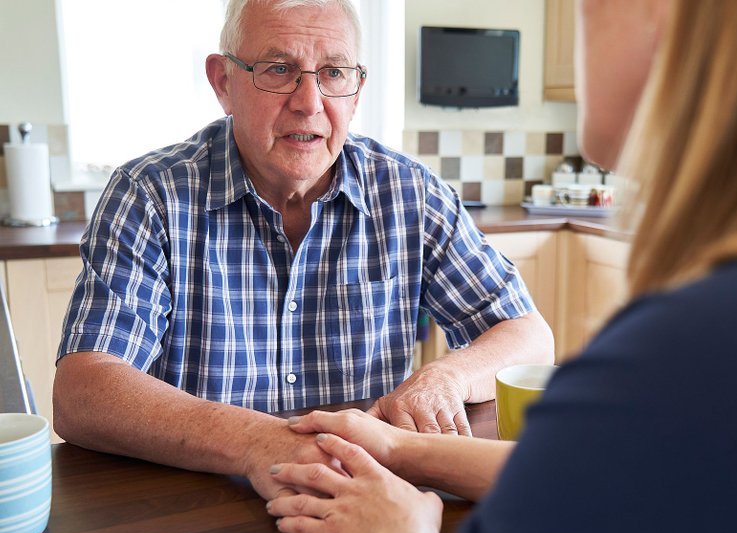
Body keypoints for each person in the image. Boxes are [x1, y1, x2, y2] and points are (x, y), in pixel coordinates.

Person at [263, 0, 737, 533]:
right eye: (278, 70)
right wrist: (401, 450)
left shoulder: (705, 349)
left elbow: (599, 437)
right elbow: (618, 470)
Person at [52, 0, 553, 501]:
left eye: (333, 72)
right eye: (279, 70)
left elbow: (528, 336)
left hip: (367, 501)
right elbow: (83, 393)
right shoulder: (149, 194)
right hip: (197, 510)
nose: (310, 102)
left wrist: (445, 377)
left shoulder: (410, 193)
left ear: (356, 91)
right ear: (223, 82)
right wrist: (256, 442)